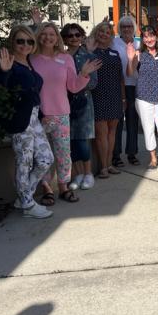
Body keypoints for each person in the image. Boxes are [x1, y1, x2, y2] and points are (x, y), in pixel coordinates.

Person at [32, 22, 100, 205]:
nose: (48, 37)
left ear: (57, 37)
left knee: (64, 154)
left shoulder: (65, 58)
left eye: (51, 34)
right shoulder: (32, 59)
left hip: (62, 114)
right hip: (40, 116)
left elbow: (73, 86)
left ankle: (63, 187)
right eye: (44, 34)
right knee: (42, 157)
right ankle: (46, 188)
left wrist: (84, 74)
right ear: (39, 36)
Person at [0, 26, 55, 219]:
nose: (25, 45)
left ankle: (24, 197)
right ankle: (28, 205)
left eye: (29, 41)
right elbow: (1, 90)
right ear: (13, 42)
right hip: (20, 120)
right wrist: (4, 72)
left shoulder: (29, 63)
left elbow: (33, 94)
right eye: (20, 41)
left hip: (34, 118)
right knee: (25, 162)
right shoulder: (10, 65)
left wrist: (42, 114)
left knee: (46, 159)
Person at [127, 25, 158, 170]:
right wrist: (130, 58)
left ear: (157, 37)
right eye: (145, 36)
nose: (149, 39)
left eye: (151, 36)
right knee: (148, 128)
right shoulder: (140, 54)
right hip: (143, 97)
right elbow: (130, 72)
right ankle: (153, 158)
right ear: (143, 39)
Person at [61, 23, 98, 191]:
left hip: (83, 102)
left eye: (77, 35)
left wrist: (77, 81)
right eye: (70, 35)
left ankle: (88, 173)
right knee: (70, 141)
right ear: (64, 39)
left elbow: (94, 82)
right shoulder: (60, 56)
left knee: (82, 140)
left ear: (82, 36)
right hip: (64, 101)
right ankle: (77, 174)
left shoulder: (88, 55)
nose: (74, 38)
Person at [90, 22, 125, 178]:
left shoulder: (114, 53)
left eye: (107, 32)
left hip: (115, 96)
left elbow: (121, 78)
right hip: (98, 95)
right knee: (101, 133)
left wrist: (123, 98)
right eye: (101, 31)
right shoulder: (90, 52)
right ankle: (103, 167)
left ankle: (109, 164)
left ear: (111, 36)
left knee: (112, 132)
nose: (104, 34)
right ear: (96, 33)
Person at [112, 15, 140, 167]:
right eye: (124, 26)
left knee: (132, 121)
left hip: (134, 86)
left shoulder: (138, 43)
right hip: (117, 87)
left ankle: (131, 153)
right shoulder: (114, 42)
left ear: (134, 28)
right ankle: (115, 154)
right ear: (119, 29)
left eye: (129, 26)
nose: (127, 29)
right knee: (117, 123)